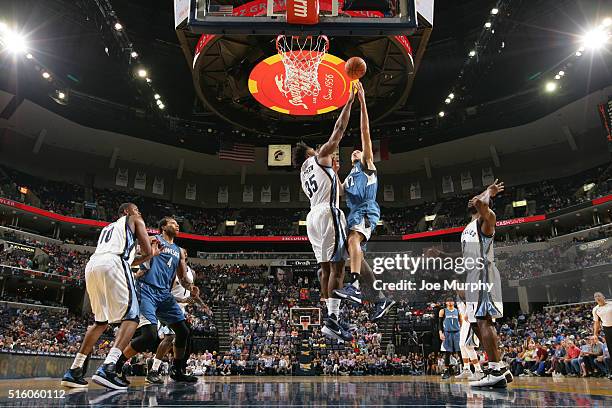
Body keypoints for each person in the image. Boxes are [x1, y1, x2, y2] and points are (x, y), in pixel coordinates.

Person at [61, 203, 157, 389]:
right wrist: (152, 251)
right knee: (132, 317)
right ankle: (109, 367)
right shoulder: (134, 219)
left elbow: (130, 260)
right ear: (126, 212)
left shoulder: (108, 228)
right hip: (114, 263)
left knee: (100, 321)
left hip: (94, 265)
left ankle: (74, 370)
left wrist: (143, 251)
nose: (139, 212)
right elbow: (146, 252)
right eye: (136, 209)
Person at [294, 82, 356, 342]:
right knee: (338, 268)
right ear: (313, 152)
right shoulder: (318, 156)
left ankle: (328, 316)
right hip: (329, 214)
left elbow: (337, 189)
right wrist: (350, 101)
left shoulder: (304, 172)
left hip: (312, 217)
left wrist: (336, 174)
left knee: (323, 270)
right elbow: (338, 131)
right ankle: (332, 320)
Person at [332, 83, 396, 322]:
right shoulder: (349, 177)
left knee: (353, 240)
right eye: (354, 152)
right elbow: (339, 193)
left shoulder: (368, 166)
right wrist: (337, 173)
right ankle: (380, 296)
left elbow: (365, 132)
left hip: (367, 209)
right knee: (354, 253)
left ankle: (356, 286)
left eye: (358, 151)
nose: (355, 152)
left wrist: (362, 102)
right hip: (353, 213)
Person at [114, 217, 200, 383]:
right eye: (173, 223)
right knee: (149, 336)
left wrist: (190, 287)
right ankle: (117, 365)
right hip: (147, 290)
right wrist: (142, 263)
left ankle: (177, 370)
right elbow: (133, 258)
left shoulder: (179, 251)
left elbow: (182, 278)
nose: (177, 226)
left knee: (183, 331)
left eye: (177, 224)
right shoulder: (154, 240)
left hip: (164, 295)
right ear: (162, 227)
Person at [461, 179, 513, 387]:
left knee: (484, 320)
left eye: (478, 199)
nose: (474, 201)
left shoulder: (488, 219)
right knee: (475, 323)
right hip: (472, 274)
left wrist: (488, 192)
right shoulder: (468, 228)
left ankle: (494, 368)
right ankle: (499, 365)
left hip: (483, 271)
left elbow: (483, 206)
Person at [145, 250, 200, 384]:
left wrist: (194, 297)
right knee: (169, 338)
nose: (184, 253)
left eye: (186, 252)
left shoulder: (192, 273)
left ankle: (177, 369)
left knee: (181, 338)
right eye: (181, 252)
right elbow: (163, 292)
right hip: (167, 307)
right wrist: (180, 300)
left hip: (180, 310)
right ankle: (154, 369)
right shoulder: (171, 270)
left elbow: (190, 292)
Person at [455, 292, 484, 381]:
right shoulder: (458, 297)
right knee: (462, 345)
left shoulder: (471, 294)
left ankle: (479, 371)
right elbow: (461, 313)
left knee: (468, 346)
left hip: (472, 321)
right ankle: (466, 369)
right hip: (465, 323)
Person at [439, 297, 461, 379]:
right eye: (448, 301)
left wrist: (461, 331)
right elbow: (440, 323)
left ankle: (467, 370)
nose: (450, 303)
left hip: (457, 332)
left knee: (460, 351)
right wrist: (440, 333)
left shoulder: (458, 311)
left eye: (451, 301)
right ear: (446, 303)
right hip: (447, 333)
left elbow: (461, 322)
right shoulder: (443, 311)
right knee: (447, 352)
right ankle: (446, 371)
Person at [592, 291, 612, 379]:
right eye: (595, 296)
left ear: (603, 296)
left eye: (599, 295)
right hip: (607, 329)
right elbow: (597, 322)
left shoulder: (611, 304)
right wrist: (595, 334)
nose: (597, 297)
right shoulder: (595, 309)